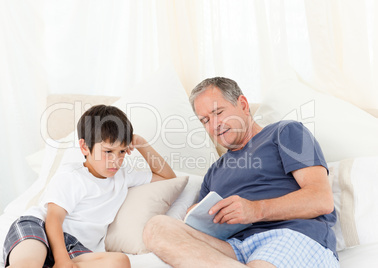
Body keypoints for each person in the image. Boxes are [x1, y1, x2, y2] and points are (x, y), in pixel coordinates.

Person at [143, 77, 338, 268]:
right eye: (205, 120)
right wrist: (198, 217)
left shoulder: (285, 132)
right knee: (156, 227)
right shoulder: (214, 171)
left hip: (289, 235)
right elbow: (201, 227)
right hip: (234, 249)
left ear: (243, 105)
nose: (214, 125)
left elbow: (321, 199)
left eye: (218, 112)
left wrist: (255, 210)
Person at [3, 105, 176, 268]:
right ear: (85, 147)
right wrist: (61, 259)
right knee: (28, 262)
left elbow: (168, 177)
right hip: (41, 228)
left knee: (120, 262)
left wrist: (140, 142)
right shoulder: (72, 176)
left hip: (75, 247)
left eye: (122, 151)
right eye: (108, 151)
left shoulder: (124, 175)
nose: (115, 160)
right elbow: (54, 218)